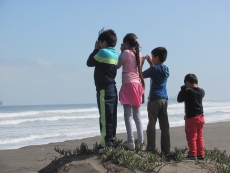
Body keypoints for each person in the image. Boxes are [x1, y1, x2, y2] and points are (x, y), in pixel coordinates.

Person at [86, 29, 118, 153]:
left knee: (105, 117)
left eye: (100, 42)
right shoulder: (115, 54)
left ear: (103, 42)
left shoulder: (103, 52)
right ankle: (111, 140)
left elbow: (89, 62)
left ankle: (106, 144)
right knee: (111, 116)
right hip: (112, 88)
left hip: (104, 89)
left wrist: (96, 49)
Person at [117, 33, 145, 150]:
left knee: (127, 115)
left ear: (127, 44)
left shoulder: (126, 53)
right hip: (137, 85)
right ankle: (141, 142)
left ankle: (130, 141)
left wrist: (122, 51)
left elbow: (117, 65)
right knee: (137, 116)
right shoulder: (139, 54)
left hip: (128, 84)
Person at [140, 47, 170, 154]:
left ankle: (151, 148)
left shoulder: (154, 69)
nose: (151, 58)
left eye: (152, 57)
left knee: (151, 124)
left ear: (156, 57)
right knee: (164, 126)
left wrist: (141, 64)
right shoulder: (165, 69)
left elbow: (141, 75)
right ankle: (166, 150)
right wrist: (151, 63)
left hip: (154, 99)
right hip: (164, 99)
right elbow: (156, 72)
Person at [177, 74, 205, 160]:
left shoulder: (188, 91)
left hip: (192, 118)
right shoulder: (201, 91)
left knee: (191, 136)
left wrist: (182, 89)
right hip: (201, 117)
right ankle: (200, 153)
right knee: (199, 136)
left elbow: (179, 99)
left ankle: (192, 154)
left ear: (187, 83)